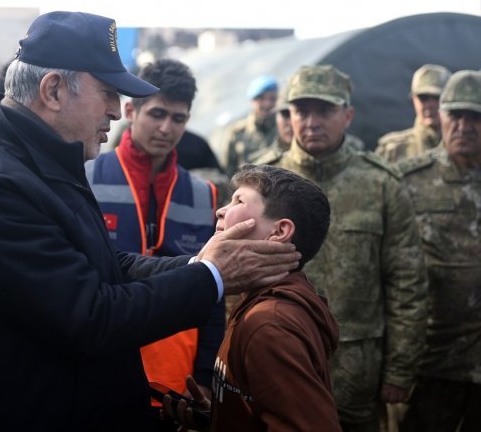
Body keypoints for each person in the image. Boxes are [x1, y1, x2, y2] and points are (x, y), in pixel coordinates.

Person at [0, 11, 301, 432]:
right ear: (54, 90)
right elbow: (92, 316)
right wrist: (212, 277)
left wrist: (200, 264)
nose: (117, 112)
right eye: (107, 93)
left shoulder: (39, 162)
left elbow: (103, 265)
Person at [258, 65, 428, 431]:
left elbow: (406, 282)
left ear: (347, 115)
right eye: (302, 111)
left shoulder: (381, 184)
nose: (312, 121)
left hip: (357, 371)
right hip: (279, 357)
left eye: (325, 110)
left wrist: (399, 369)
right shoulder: (263, 185)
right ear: (289, 115)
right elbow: (235, 278)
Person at [85, 58, 224, 430]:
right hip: (100, 376)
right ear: (131, 110)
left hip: (177, 385)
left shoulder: (203, 195)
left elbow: (215, 292)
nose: (166, 128)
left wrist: (206, 378)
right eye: (157, 114)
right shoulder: (84, 179)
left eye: (178, 118)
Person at [163, 164, 340, 431]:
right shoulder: (257, 302)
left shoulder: (271, 325)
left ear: (279, 232)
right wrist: (221, 417)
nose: (220, 210)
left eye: (239, 201)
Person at [398, 70, 481, 432]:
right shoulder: (408, 179)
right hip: (432, 357)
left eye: (475, 116)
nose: (463, 125)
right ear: (441, 117)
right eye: (455, 114)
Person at [376, 64, 452, 162]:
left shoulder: (465, 149)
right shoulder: (392, 150)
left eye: (437, 98)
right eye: (423, 98)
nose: (430, 105)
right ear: (414, 100)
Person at [222, 74, 278, 175]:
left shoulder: (284, 128)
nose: (267, 104)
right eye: (261, 99)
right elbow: (228, 170)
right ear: (252, 100)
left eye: (272, 99)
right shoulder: (236, 132)